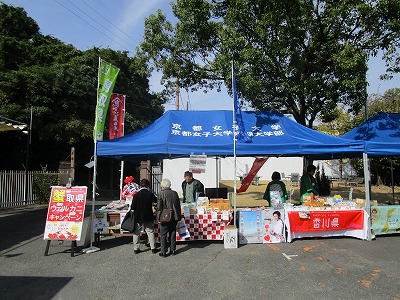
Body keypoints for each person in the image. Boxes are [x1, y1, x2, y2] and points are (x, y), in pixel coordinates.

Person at [131, 179, 158, 254]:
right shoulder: (150, 194)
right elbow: (156, 201)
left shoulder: (136, 195)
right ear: (148, 185)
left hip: (138, 216)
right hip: (148, 215)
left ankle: (136, 248)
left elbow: (133, 207)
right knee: (150, 231)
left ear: (140, 186)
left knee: (136, 232)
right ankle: (153, 248)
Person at [157, 178, 182, 257]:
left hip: (165, 216)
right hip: (174, 216)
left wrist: (158, 218)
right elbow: (178, 205)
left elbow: (159, 208)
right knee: (173, 232)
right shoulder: (175, 193)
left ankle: (163, 251)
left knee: (163, 234)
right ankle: (173, 250)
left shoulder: (161, 193)